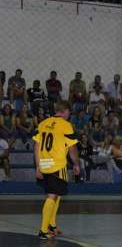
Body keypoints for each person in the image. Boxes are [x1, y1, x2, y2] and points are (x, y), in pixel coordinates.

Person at [33, 101, 80, 239]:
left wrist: (38, 166)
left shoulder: (42, 123)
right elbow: (72, 148)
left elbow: (36, 146)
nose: (69, 115)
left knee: (56, 194)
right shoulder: (66, 126)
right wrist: (76, 164)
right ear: (65, 111)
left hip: (44, 164)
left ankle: (51, 224)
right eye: (69, 112)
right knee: (52, 196)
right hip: (57, 165)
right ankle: (43, 231)